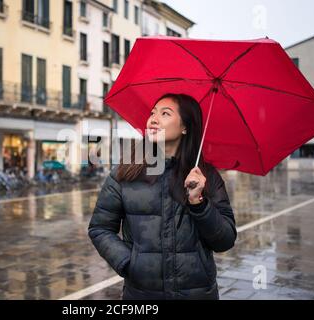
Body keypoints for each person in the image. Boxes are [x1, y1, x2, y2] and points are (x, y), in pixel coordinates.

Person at [88, 94, 237, 300]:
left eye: (165, 113)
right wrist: (129, 263)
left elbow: (225, 240)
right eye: (152, 113)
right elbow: (100, 228)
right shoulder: (125, 172)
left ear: (185, 127)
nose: (153, 119)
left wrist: (199, 203)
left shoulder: (206, 176)